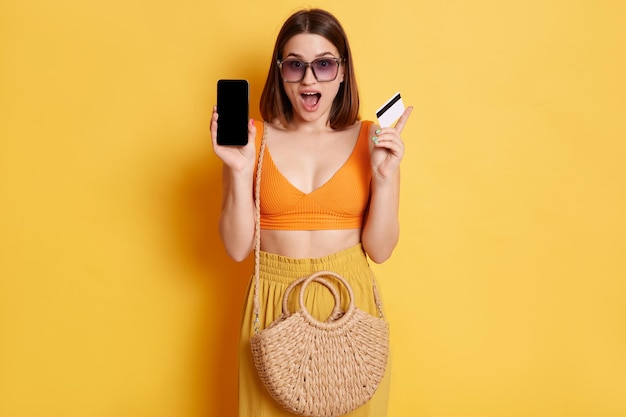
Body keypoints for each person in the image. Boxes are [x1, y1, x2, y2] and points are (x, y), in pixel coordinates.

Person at [211, 8, 412, 417]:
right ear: (280, 72)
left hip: (349, 305)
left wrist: (387, 178)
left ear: (341, 72)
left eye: (323, 64)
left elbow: (381, 249)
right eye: (295, 65)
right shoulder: (255, 139)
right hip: (272, 305)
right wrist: (238, 170)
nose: (309, 79)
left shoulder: (370, 138)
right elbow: (235, 249)